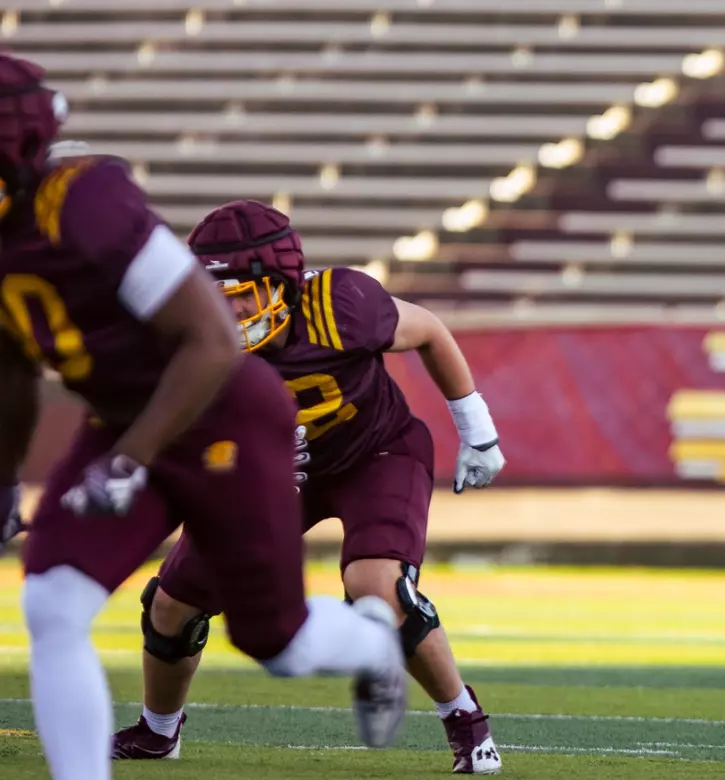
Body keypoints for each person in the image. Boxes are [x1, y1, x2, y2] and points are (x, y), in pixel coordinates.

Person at [0, 53, 406, 780]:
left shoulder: (83, 199)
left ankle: (375, 642)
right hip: (131, 419)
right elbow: (9, 369)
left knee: (277, 645)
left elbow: (214, 342)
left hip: (224, 414)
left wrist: (129, 458)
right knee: (53, 600)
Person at [113, 199, 507, 774]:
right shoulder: (192, 334)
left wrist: (478, 430)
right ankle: (158, 733)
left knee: (379, 589)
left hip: (373, 453)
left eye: (242, 294)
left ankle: (467, 723)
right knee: (171, 605)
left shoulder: (341, 304)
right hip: (270, 470)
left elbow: (429, 330)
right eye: (215, 296)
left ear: (281, 285)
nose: (230, 311)